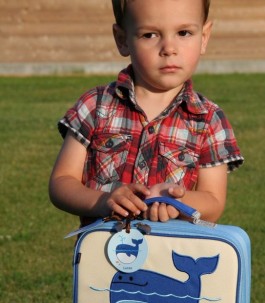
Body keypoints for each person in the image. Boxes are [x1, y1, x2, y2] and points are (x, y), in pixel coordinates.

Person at [49, 0, 244, 228]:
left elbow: (214, 201)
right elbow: (62, 182)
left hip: (173, 259)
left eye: (183, 32)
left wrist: (177, 200)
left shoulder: (209, 119)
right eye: (150, 35)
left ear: (204, 36)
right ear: (122, 40)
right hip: (102, 257)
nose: (169, 48)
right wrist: (103, 201)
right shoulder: (95, 105)